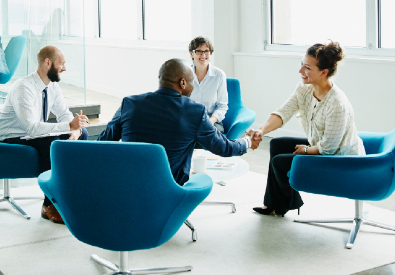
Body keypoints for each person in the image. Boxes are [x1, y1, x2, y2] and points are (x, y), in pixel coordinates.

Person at [97, 58, 259, 186]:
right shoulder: (195, 111)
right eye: (191, 82)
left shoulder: (130, 103)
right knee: (203, 179)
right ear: (182, 83)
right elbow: (224, 147)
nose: (193, 87)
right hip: (170, 188)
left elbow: (103, 143)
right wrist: (247, 141)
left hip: (128, 183)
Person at [251, 41, 365, 217]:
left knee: (279, 162)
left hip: (340, 158)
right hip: (323, 147)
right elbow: (284, 112)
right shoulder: (304, 89)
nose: (300, 71)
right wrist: (262, 130)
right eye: (301, 65)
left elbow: (329, 148)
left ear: (324, 72)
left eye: (307, 68)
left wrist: (305, 150)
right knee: (276, 144)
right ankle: (274, 204)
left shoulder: (337, 103)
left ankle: (290, 202)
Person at [0, 45, 89, 224]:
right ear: (48, 63)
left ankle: (68, 196)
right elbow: (31, 128)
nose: (65, 68)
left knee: (81, 134)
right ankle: (49, 205)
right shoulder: (24, 87)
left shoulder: (52, 86)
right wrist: (69, 125)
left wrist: (75, 130)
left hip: (33, 134)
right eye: (62, 64)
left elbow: (64, 113)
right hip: (13, 135)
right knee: (52, 143)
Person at [188, 36, 228, 133]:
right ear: (191, 54)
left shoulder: (219, 75)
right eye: (199, 51)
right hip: (188, 121)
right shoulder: (184, 73)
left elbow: (222, 106)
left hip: (211, 122)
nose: (203, 55)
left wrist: (210, 121)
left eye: (206, 51)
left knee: (204, 135)